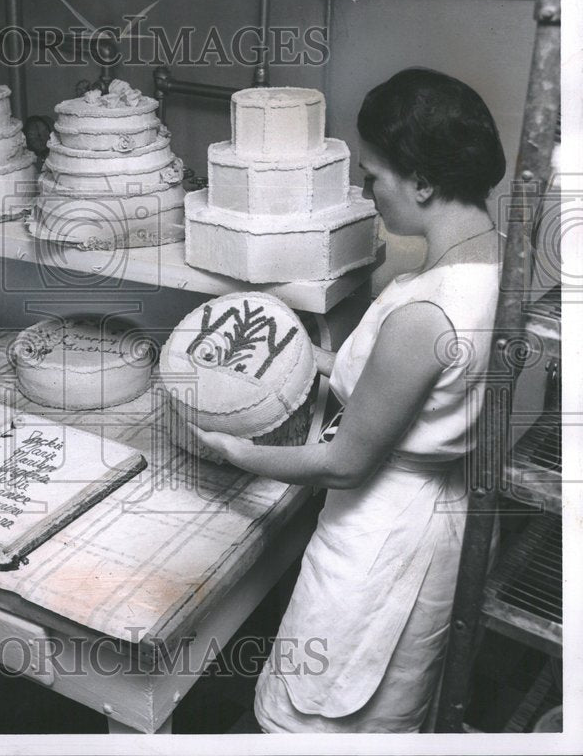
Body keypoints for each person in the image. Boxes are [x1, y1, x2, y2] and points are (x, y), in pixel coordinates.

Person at [189, 68, 506, 732]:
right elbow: (401, 388)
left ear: (421, 180)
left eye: (374, 177)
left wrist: (234, 449)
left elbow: (345, 463)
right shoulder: (491, 267)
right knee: (391, 709)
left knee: (319, 718)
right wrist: (295, 357)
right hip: (440, 517)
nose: (368, 192)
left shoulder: (426, 312)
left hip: (385, 538)